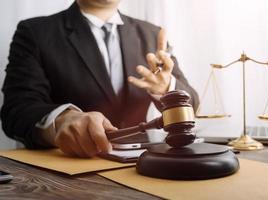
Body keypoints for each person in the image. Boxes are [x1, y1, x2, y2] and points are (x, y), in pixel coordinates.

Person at [1, 0, 198, 158]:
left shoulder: (153, 34)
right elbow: (16, 110)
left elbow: (193, 103)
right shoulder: (35, 32)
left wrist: (167, 89)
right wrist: (62, 120)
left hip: (147, 163)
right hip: (73, 171)